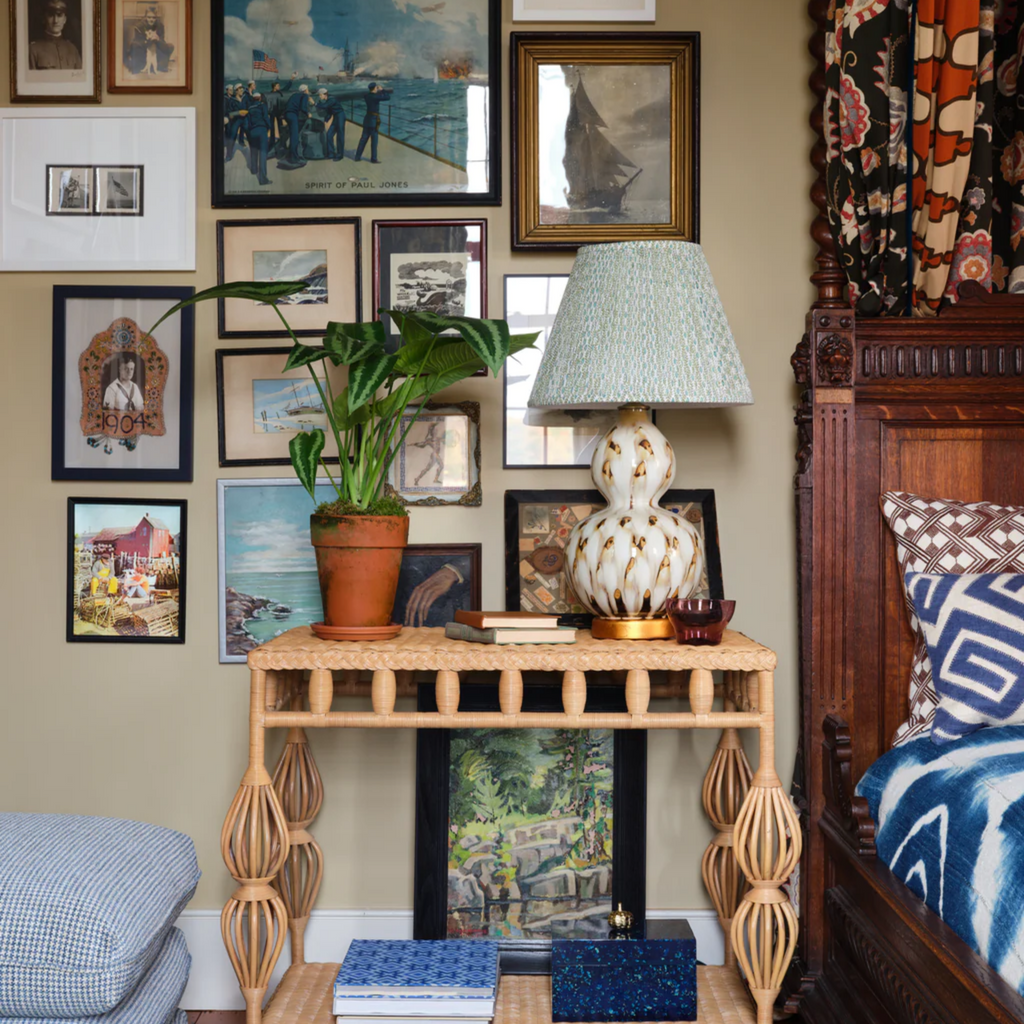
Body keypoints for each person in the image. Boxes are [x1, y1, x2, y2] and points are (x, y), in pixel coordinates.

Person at [29, 0, 82, 70]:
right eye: (51, 15)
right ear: (44, 18)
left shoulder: (72, 49)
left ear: (65, 19)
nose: (55, 21)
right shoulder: (33, 50)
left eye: (59, 15)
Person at [124, 4, 173, 75]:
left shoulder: (160, 26)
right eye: (149, 17)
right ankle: (141, 65)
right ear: (145, 17)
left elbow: (163, 42)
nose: (151, 20)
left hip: (155, 51)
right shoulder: (139, 26)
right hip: (144, 50)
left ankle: (159, 66)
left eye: (154, 18)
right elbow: (137, 42)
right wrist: (148, 40)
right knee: (134, 46)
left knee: (170, 46)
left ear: (156, 18)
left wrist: (158, 39)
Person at [354, 82, 392, 163]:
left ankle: (357, 156)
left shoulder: (367, 96)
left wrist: (376, 91)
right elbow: (387, 97)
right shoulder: (375, 97)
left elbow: (370, 95)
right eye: (376, 87)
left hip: (367, 119)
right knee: (374, 140)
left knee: (363, 139)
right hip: (373, 120)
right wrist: (382, 90)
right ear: (375, 88)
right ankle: (373, 159)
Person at [245, 92, 273, 186]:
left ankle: (254, 170)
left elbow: (247, 122)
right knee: (263, 154)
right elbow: (265, 117)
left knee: (253, 151)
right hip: (261, 130)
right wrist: (269, 127)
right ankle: (263, 179)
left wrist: (250, 131)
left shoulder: (249, 108)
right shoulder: (262, 105)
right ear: (260, 98)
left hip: (252, 131)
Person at [284, 83, 313, 165]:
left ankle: (290, 154)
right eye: (307, 89)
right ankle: (294, 158)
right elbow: (303, 107)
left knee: (292, 135)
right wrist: (308, 113)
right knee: (295, 138)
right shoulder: (305, 95)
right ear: (305, 90)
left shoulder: (294, 95)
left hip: (287, 115)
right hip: (293, 116)